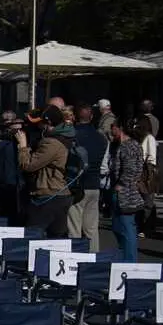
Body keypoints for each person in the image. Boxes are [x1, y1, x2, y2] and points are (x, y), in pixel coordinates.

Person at [18, 105, 72, 238]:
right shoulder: (64, 136)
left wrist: (23, 146)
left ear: (49, 123)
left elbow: (28, 165)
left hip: (50, 195)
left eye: (40, 123)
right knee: (56, 239)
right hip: (58, 194)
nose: (37, 127)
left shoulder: (52, 143)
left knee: (31, 236)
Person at [67, 105, 106, 251]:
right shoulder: (101, 138)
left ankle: (75, 257)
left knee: (74, 228)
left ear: (75, 117)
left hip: (76, 185)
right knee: (92, 228)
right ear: (91, 117)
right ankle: (93, 257)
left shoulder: (72, 135)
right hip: (94, 184)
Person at [108, 121, 144, 262]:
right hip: (128, 191)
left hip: (125, 193)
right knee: (120, 227)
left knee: (126, 228)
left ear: (120, 128)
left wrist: (120, 185)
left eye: (113, 128)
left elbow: (131, 168)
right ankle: (125, 259)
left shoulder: (127, 146)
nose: (111, 132)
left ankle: (129, 261)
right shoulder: (133, 145)